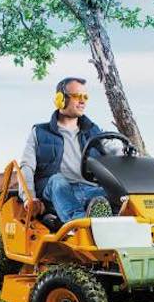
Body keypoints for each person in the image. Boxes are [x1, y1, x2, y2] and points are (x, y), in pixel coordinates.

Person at [18, 77, 118, 223]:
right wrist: (29, 197)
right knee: (57, 180)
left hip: (88, 190)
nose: (83, 101)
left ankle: (115, 222)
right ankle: (81, 224)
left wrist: (129, 154)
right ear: (60, 99)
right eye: (77, 96)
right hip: (54, 192)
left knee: (120, 195)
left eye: (85, 97)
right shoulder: (40, 132)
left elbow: (114, 150)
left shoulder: (94, 131)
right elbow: (26, 167)